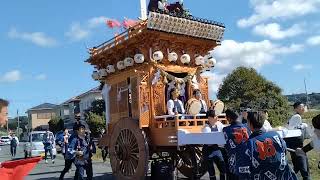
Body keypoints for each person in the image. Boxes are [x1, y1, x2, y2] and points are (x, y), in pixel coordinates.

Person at [238, 111, 298, 179]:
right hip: (282, 174)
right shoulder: (275, 135)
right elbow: (284, 151)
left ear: (250, 124)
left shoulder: (248, 144)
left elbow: (243, 168)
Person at [222, 109, 251, 180]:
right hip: (247, 160)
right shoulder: (247, 127)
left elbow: (224, 144)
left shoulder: (226, 130)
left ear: (228, 118)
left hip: (234, 162)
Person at [285, 102, 310, 180]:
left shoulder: (296, 116)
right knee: (304, 169)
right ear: (295, 109)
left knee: (297, 168)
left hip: (295, 146)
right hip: (297, 146)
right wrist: (303, 126)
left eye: (303, 107)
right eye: (300, 107)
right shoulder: (297, 116)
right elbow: (292, 130)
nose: (303, 108)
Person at [202, 110, 226, 180]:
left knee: (223, 169)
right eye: (215, 116)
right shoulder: (206, 128)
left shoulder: (219, 124)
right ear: (210, 118)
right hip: (208, 151)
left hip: (216, 149)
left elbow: (224, 130)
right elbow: (209, 141)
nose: (217, 117)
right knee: (212, 172)